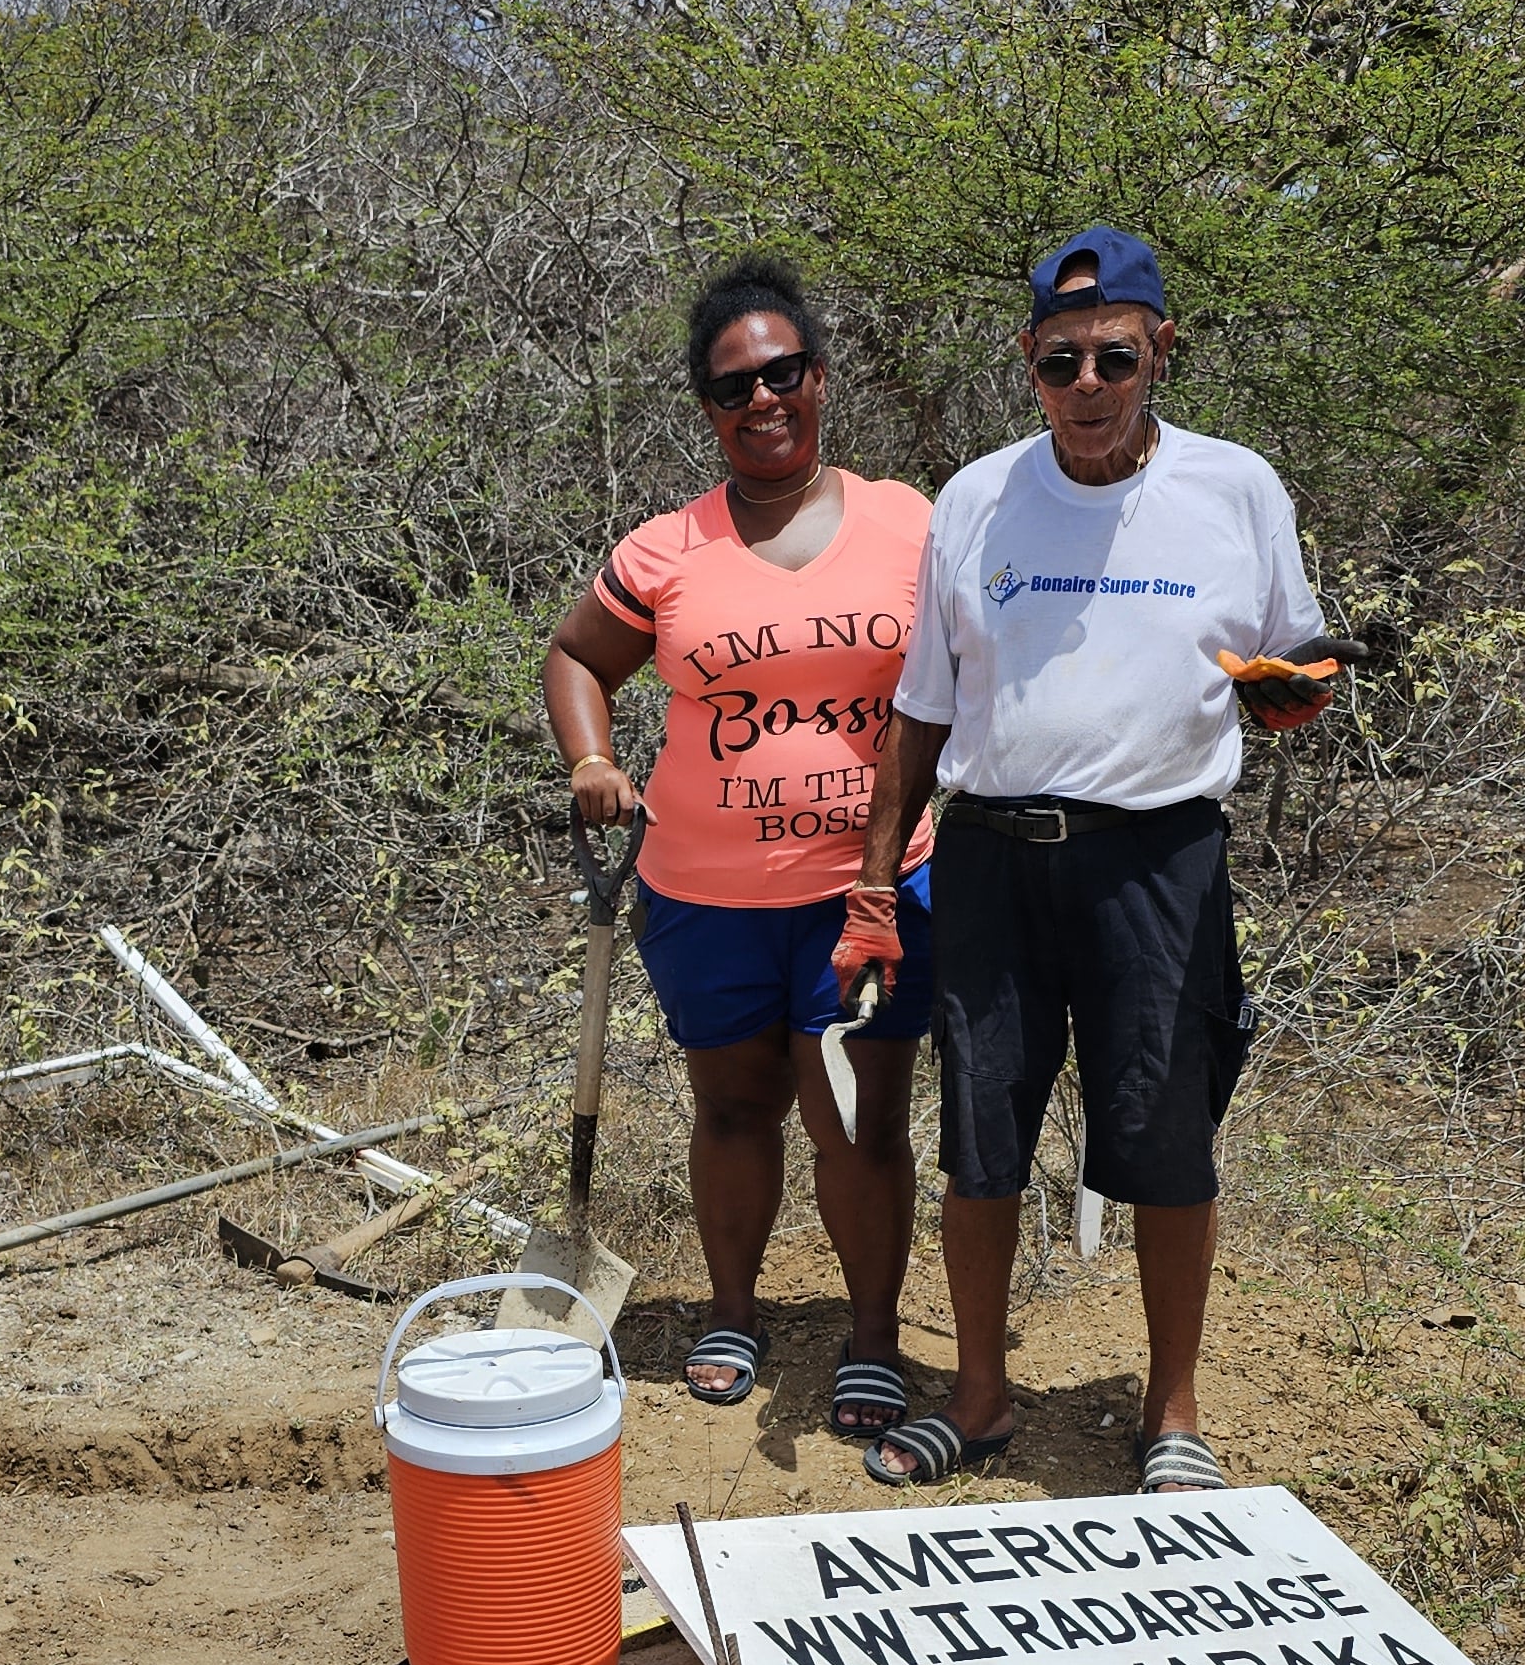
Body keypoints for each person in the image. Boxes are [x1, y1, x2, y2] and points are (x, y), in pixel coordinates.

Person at [844, 224, 1354, 1496]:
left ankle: (1169, 1410)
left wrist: (1294, 692)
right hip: (990, 858)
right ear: (1027, 359)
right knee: (978, 1136)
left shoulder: (1235, 488)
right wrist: (871, 883)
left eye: (1112, 358)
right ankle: (977, 1396)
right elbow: (919, 708)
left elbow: (1295, 660)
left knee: (1165, 1135)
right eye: (1059, 361)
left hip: (1156, 861)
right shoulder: (974, 498)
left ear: (1158, 352)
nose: (1085, 385)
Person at [542, 254, 935, 1428]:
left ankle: (873, 1337)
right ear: (706, 409)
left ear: (819, 376)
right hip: (699, 897)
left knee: (855, 1119)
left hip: (868, 891)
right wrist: (591, 761)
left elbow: (971, 674)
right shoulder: (667, 549)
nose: (761, 399)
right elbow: (576, 657)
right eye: (732, 387)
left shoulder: (909, 523)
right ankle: (731, 1312)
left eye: (781, 372)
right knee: (730, 1108)